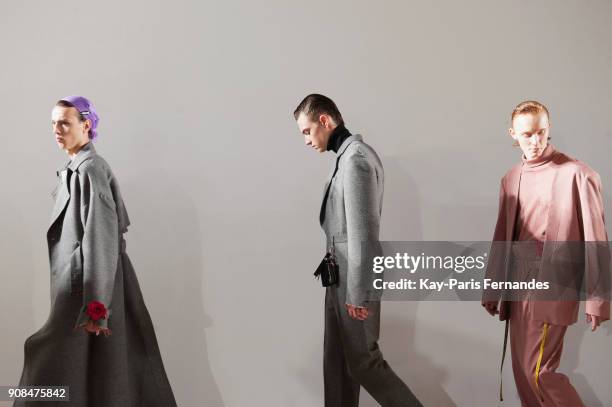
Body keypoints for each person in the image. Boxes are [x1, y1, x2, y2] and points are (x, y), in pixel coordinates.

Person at [15, 96, 177, 407]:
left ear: (86, 125)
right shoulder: (75, 169)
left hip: (90, 294)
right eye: (53, 123)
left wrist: (97, 310)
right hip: (80, 291)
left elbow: (101, 240)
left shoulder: (91, 170)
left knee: (60, 368)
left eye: (64, 122)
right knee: (87, 377)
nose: (56, 130)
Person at [294, 94, 422, 407]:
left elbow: (364, 234)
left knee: (365, 364)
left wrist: (360, 293)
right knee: (336, 365)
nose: (306, 141)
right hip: (337, 279)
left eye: (307, 131)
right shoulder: (345, 160)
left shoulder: (356, 160)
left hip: (354, 280)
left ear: (324, 121)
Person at [482, 100, 610, 406]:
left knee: (539, 372)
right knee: (522, 374)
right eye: (527, 135)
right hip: (519, 288)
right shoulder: (511, 178)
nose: (536, 141)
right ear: (513, 134)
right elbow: (503, 237)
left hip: (554, 287)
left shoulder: (578, 174)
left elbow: (597, 240)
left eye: (541, 132)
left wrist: (598, 299)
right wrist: (493, 287)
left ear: (549, 128)